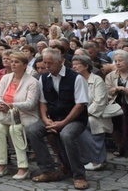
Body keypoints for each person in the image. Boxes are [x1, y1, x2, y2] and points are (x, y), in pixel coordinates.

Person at [26, 48, 90, 190]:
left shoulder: (76, 78)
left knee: (66, 134)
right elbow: (42, 102)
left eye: (50, 63)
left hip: (75, 119)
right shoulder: (43, 78)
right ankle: (48, 170)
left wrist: (63, 123)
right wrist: (45, 118)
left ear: (61, 62)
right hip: (53, 118)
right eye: (45, 63)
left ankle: (79, 175)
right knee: (33, 130)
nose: (47, 66)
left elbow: (80, 105)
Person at [0, 51, 40, 180]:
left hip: (26, 116)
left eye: (16, 62)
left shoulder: (32, 82)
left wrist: (11, 105)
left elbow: (30, 104)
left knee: (15, 129)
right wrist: (0, 104)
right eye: (12, 61)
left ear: (25, 65)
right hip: (7, 115)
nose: (13, 64)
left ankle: (23, 167)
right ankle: (2, 163)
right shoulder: (5, 78)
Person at [72, 54, 111, 171]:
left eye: (77, 64)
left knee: (88, 123)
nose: (74, 67)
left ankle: (97, 159)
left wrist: (84, 113)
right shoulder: (75, 79)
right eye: (73, 64)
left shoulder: (97, 80)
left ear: (86, 66)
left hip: (95, 114)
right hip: (77, 112)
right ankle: (84, 157)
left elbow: (100, 101)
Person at [104, 50, 128, 158]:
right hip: (117, 102)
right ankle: (120, 146)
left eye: (120, 61)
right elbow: (107, 91)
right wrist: (114, 90)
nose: (117, 63)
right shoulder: (111, 75)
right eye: (116, 61)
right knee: (113, 119)